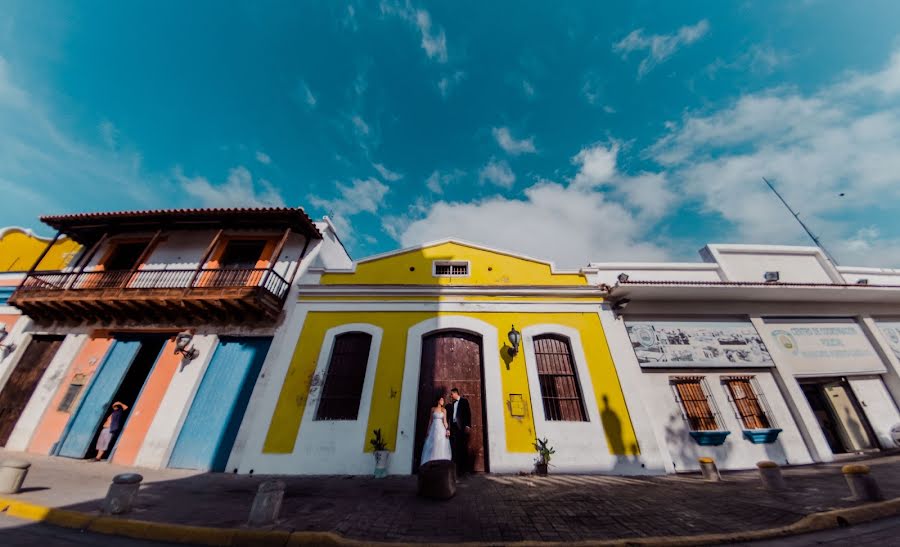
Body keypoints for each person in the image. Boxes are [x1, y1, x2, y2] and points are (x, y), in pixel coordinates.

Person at [420, 395, 452, 466]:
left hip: (441, 429)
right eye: (441, 400)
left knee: (441, 444)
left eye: (443, 400)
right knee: (432, 444)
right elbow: (430, 421)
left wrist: (447, 430)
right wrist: (428, 431)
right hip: (433, 429)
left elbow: (445, 422)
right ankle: (430, 462)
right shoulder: (433, 409)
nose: (442, 401)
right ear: (438, 401)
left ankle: (441, 464)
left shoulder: (444, 410)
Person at [446, 387, 471, 474]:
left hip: (461, 427)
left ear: (456, 393)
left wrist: (468, 425)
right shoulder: (452, 404)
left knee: (462, 448)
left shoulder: (464, 401)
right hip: (454, 428)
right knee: (454, 448)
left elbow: (468, 413)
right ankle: (456, 469)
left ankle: (464, 469)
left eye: (452, 394)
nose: (451, 396)